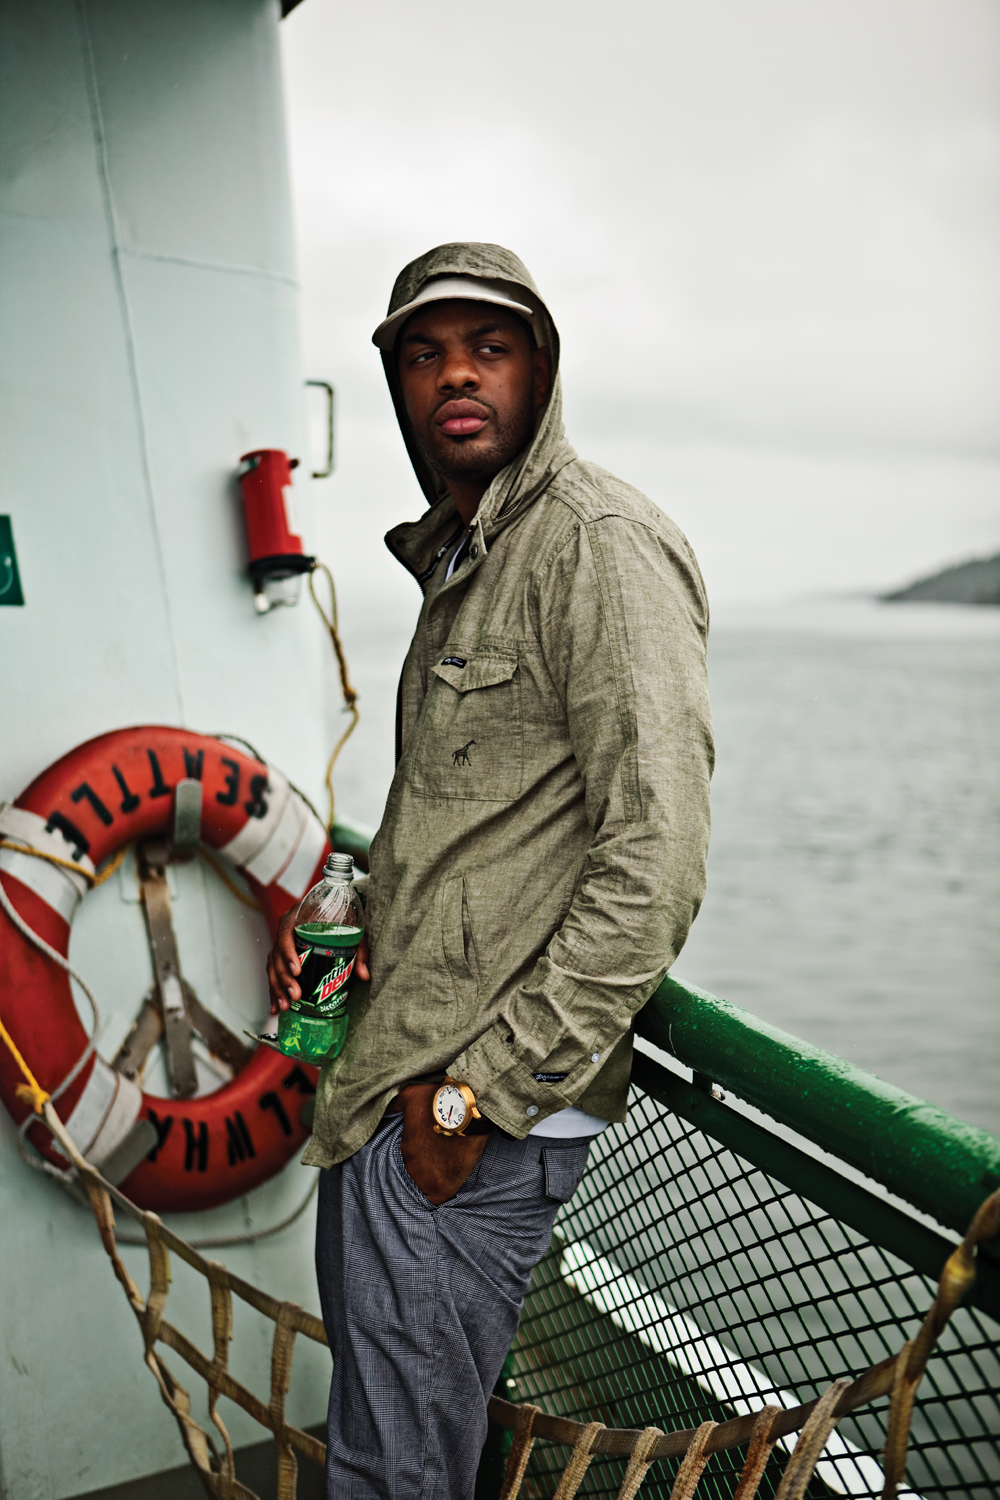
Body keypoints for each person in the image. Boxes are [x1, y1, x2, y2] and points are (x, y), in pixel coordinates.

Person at [266, 242, 713, 1500]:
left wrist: (473, 1102)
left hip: (464, 1116)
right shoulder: (463, 559)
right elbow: (478, 822)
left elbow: (656, 858)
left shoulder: (597, 544)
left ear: (541, 371)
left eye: (488, 347)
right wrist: (356, 913)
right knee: (389, 1447)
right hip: (400, 1083)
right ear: (398, 388)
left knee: (395, 1472)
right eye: (424, 354)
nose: (455, 375)